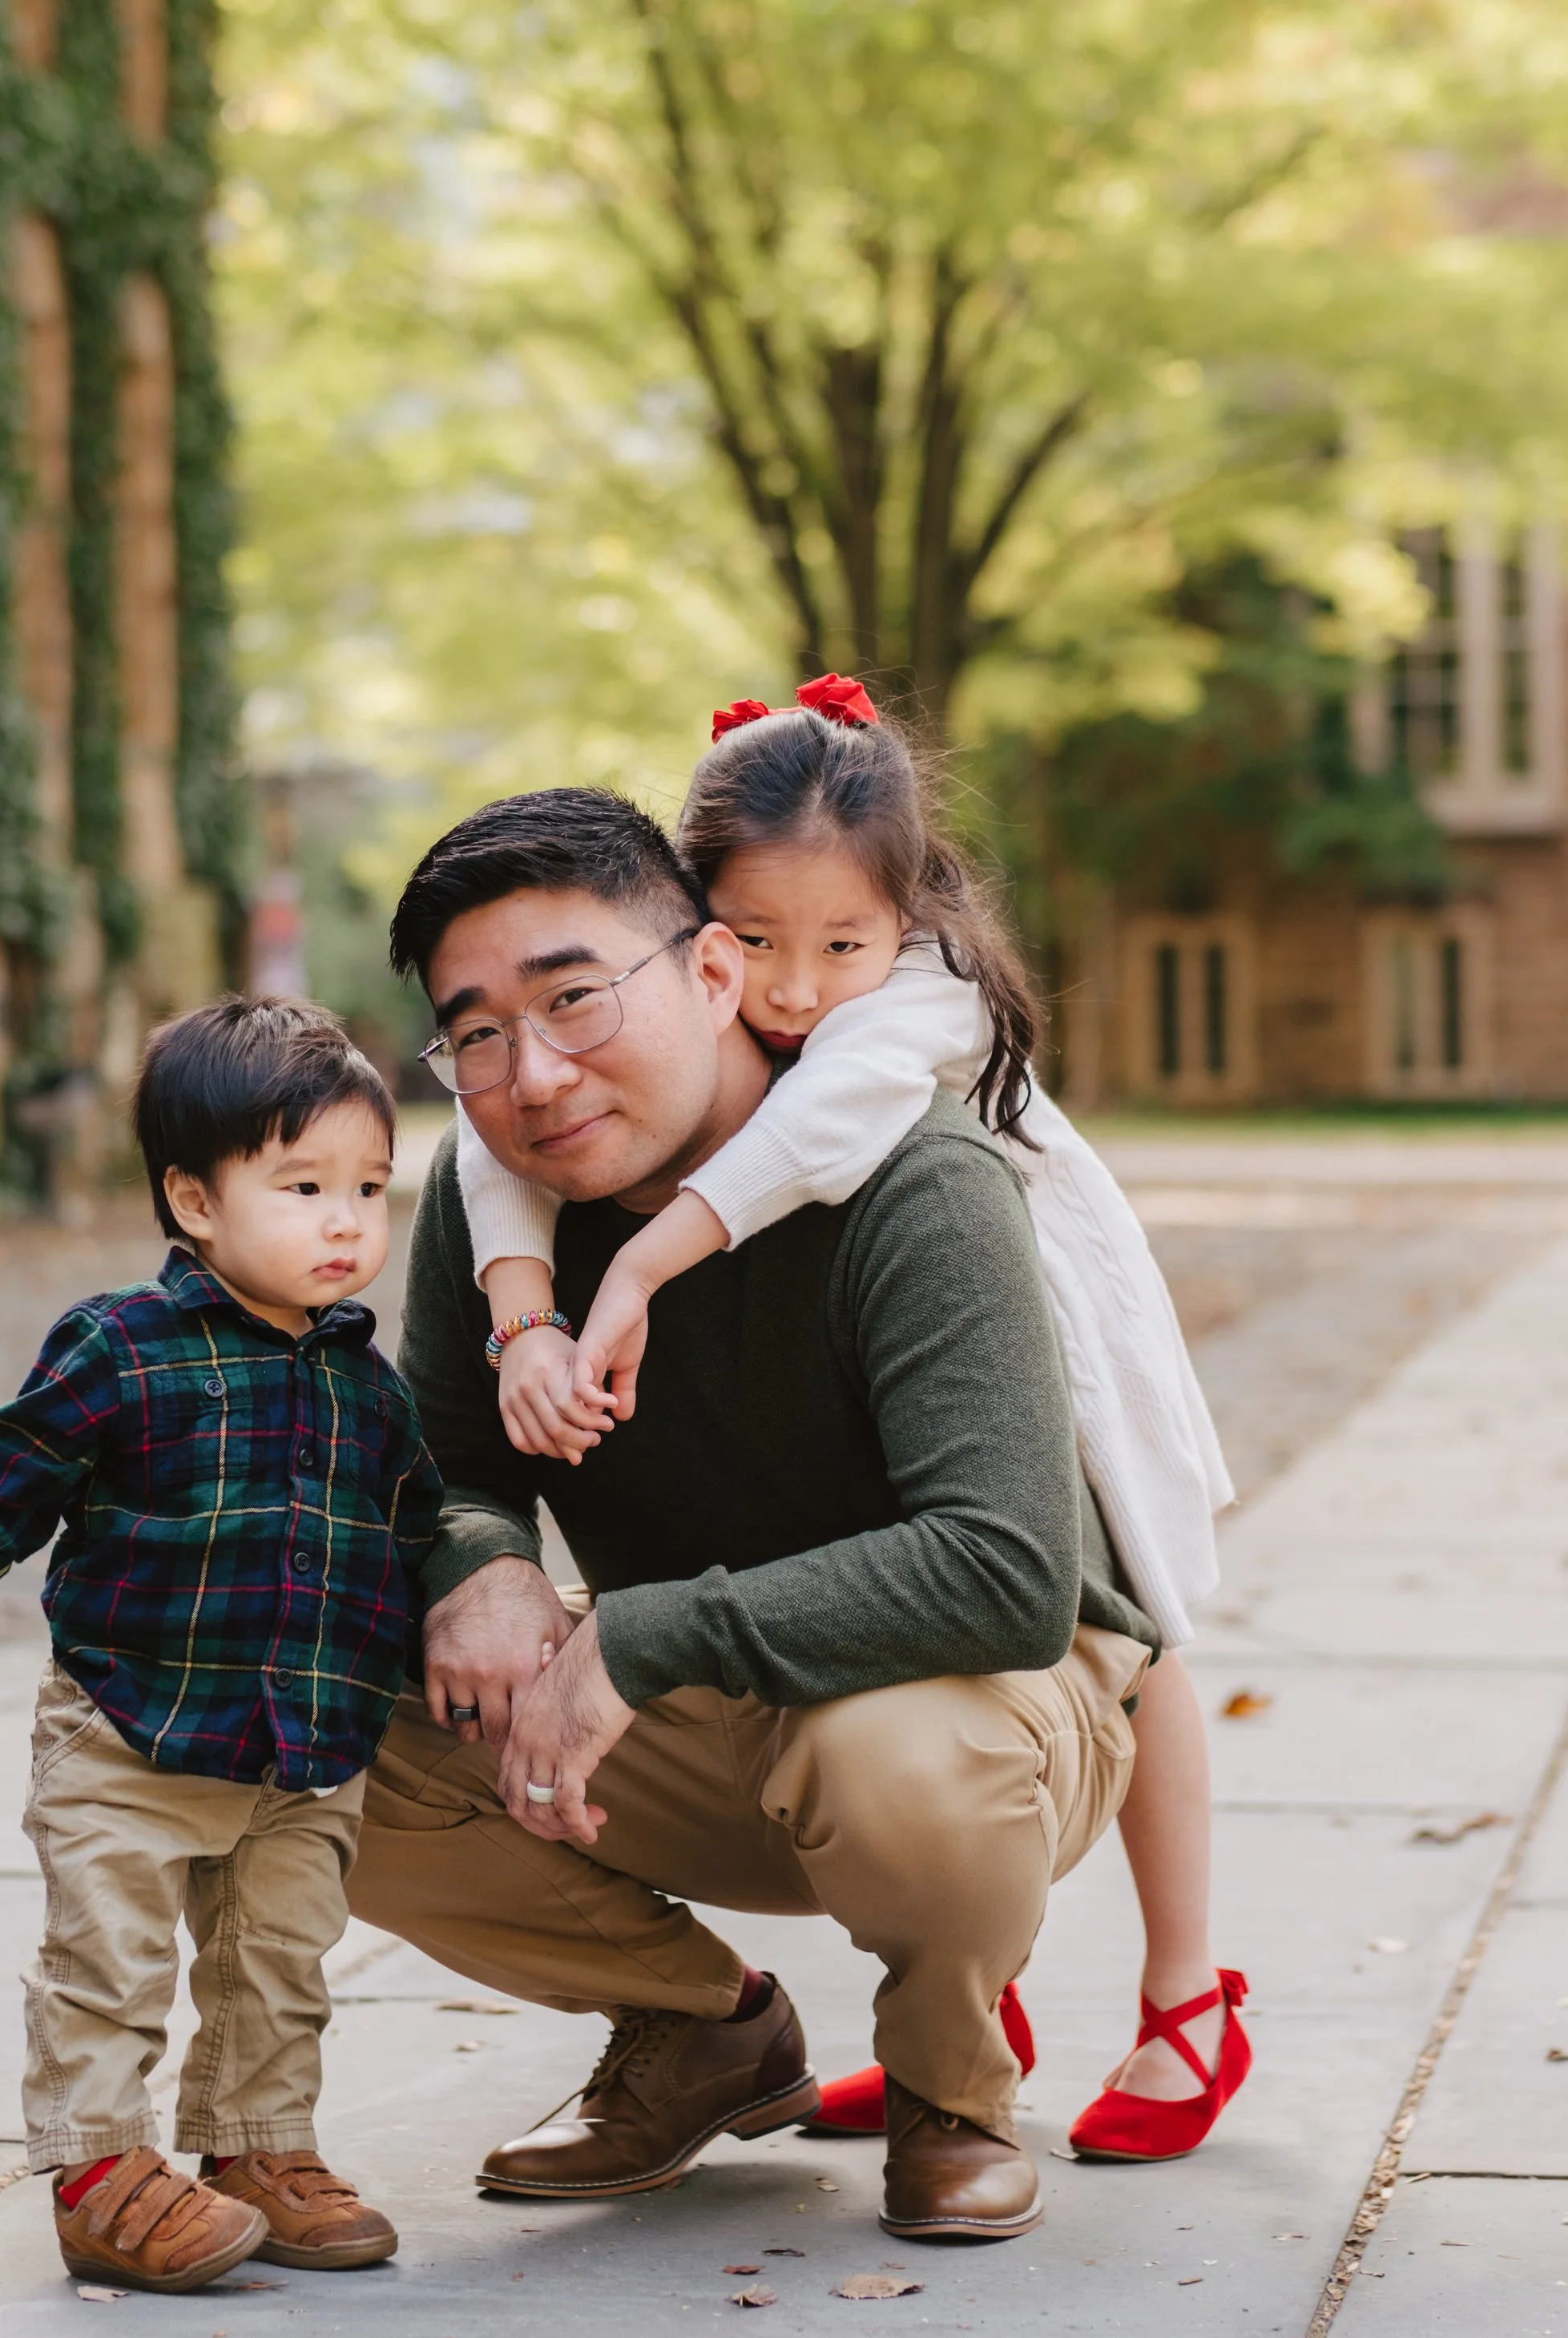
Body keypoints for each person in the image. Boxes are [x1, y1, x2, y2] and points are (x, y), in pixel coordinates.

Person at [346, 784, 1159, 2243]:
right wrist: (482, 1565)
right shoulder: (495, 1214)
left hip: (988, 1701)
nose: (532, 1073)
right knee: (287, 1717)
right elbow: (446, 1469)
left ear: (714, 972)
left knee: (888, 1743)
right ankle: (701, 2028)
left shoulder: (913, 1181)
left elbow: (1008, 1571)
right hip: (695, 1707)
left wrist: (639, 1636)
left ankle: (953, 2089)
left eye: (576, 999)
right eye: (477, 1032)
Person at [462, 679, 1248, 2164]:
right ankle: (955, 2005)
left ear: (906, 918)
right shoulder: (623, 1004)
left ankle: (1185, 1993)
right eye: (755, 943)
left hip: (1038, 1310)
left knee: (1137, 1611)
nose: (797, 989)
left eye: (842, 945)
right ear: (691, 919)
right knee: (879, 1632)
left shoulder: (916, 1007)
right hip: (804, 1299)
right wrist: (517, 1301)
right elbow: (483, 1122)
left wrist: (632, 1262)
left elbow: (814, 1142)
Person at [0, 996, 440, 2292]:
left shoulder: (371, 1383)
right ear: (193, 1198)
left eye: (369, 1184)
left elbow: (408, 1534)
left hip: (303, 1738)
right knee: (111, 1956)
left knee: (279, 1960)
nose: (347, 1217)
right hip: (132, 1721)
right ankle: (97, 2171)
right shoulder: (122, 1346)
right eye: (302, 1184)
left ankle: (256, 2146)